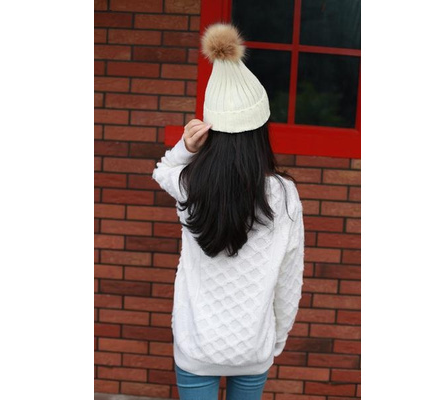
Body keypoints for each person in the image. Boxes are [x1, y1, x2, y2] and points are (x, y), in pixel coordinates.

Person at [152, 22, 305, 400]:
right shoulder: (284, 195)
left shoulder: (191, 184)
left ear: (211, 129)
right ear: (261, 130)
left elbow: (162, 171)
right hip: (253, 349)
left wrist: (186, 147)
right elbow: (289, 281)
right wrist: (276, 340)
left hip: (196, 348)